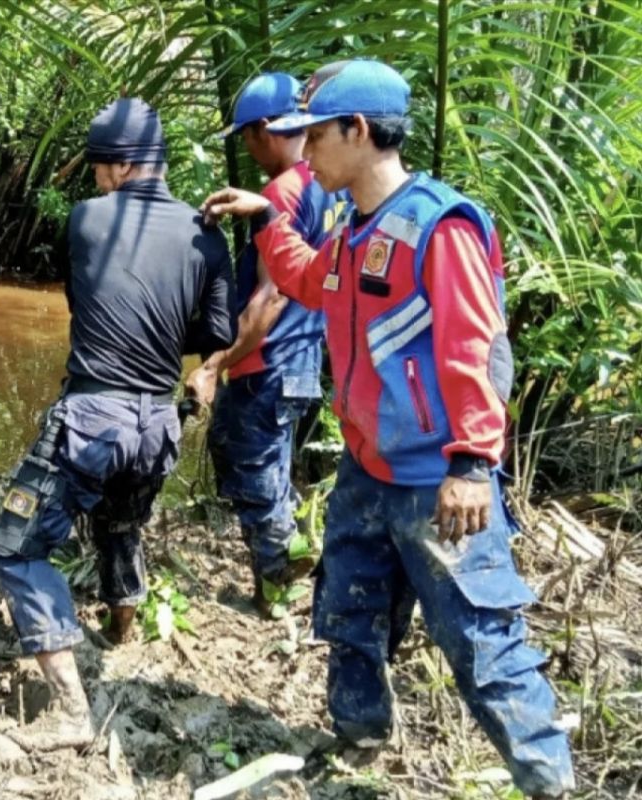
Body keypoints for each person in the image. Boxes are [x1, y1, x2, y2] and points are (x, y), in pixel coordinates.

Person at [200, 60, 573, 798]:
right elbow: (308, 281)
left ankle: (549, 783)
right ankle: (358, 737)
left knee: (482, 641)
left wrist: (471, 461)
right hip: (368, 472)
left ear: (358, 131)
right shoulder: (350, 231)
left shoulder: (440, 226)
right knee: (349, 609)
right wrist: (270, 218)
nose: (303, 154)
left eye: (315, 137)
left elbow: (474, 344)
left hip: (439, 480)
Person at [0, 97, 235, 752]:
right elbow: (214, 335)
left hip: (93, 418)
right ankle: (123, 631)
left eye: (99, 167)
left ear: (119, 166)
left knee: (15, 546)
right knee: (121, 522)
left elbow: (90, 301)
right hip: (158, 423)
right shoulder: (205, 234)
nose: (96, 179)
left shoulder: (87, 220)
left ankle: (70, 709)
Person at [185, 73, 341, 617]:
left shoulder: (283, 193)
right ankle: (294, 558)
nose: (247, 150)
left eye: (247, 136)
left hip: (268, 357)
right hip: (302, 356)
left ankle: (278, 584)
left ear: (266, 130)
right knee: (261, 462)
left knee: (251, 465)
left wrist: (214, 365)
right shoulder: (328, 187)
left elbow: (270, 298)